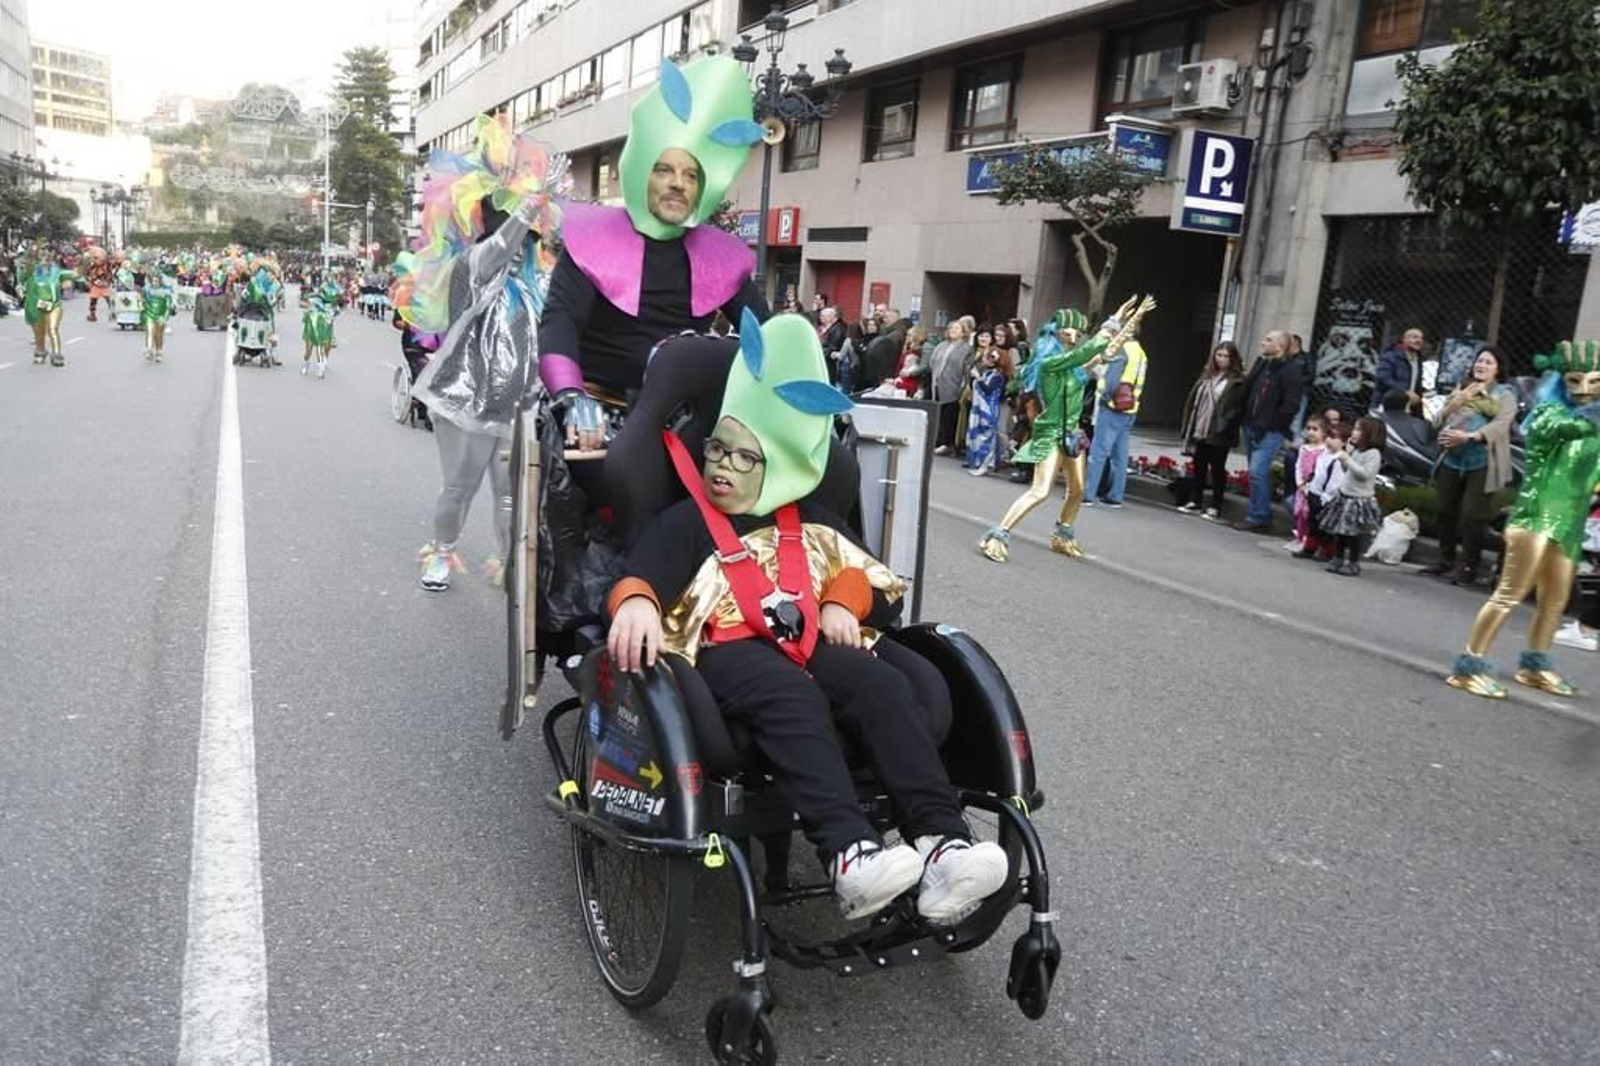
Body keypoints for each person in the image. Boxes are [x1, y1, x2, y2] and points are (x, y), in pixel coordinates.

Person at [607, 312, 1007, 922]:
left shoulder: (812, 517)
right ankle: (849, 854)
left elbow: (869, 576)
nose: (722, 467)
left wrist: (845, 601)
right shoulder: (688, 521)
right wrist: (636, 602)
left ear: (784, 463)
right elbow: (643, 573)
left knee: (880, 682)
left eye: (746, 458)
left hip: (812, 635)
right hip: (727, 649)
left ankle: (941, 840)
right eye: (718, 449)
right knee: (789, 695)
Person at [538, 56, 768, 452]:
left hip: (681, 422)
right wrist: (571, 397)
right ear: (643, 171)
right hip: (595, 418)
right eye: (664, 170)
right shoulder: (593, 242)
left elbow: (766, 334)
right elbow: (558, 324)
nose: (678, 184)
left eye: (691, 174)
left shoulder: (720, 258)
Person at [396, 113, 569, 591]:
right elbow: (497, 249)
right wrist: (531, 206)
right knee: (459, 488)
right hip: (466, 401)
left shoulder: (540, 285)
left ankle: (511, 564)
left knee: (513, 495)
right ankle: (442, 553)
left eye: (530, 241)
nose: (522, 247)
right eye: (517, 235)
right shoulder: (472, 266)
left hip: (520, 406)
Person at [1447, 341, 1600, 699]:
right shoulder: (1550, 413)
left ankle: (1535, 665)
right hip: (1535, 519)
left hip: (1569, 524)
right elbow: (1571, 430)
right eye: (1575, 381)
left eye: (1594, 383)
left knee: (1555, 601)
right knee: (1509, 595)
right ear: (1562, 381)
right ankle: (1470, 666)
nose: (1583, 390)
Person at [977, 298, 1155, 562]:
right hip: (1050, 434)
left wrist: (1131, 320)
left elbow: (1104, 352)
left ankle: (1062, 534)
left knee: (1078, 489)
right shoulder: (1050, 364)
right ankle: (997, 536)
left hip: (1071, 435)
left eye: (1077, 332)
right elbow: (1086, 352)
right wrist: (1113, 322)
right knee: (1041, 490)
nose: (1074, 335)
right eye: (1068, 330)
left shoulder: (1075, 368)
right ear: (1055, 332)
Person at [1419, 345, 1517, 586]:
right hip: (1451, 459)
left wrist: (1470, 437)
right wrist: (1457, 401)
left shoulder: (1505, 395)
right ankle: (1445, 559)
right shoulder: (1462, 388)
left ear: (1498, 369)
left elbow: (1501, 425)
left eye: (1488, 362)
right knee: (1444, 510)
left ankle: (1469, 566)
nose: (1481, 365)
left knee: (1473, 516)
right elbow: (1438, 421)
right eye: (1479, 361)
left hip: (1482, 462)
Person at [1236, 330, 1304, 532]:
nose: (1263, 342)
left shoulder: (1290, 370)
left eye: (1268, 340)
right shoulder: (1263, 365)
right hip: (1251, 425)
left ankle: (1259, 516)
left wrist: (1273, 424)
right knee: (1256, 472)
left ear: (1280, 347)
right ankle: (1258, 514)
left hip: (1271, 430)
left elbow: (1291, 404)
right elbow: (1248, 392)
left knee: (1258, 470)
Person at [1081, 317, 1149, 508]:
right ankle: (1115, 496)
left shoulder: (1121, 350)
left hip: (1111, 407)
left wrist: (1104, 398)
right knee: (1120, 455)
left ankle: (1088, 493)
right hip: (1130, 408)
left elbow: (1110, 382)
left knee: (1098, 452)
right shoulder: (1141, 353)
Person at [1175, 341, 1246, 518]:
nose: (1221, 359)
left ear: (1233, 358)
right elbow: (1194, 400)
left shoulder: (1237, 380)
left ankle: (1216, 505)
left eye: (1226, 356)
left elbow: (1238, 406)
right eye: (1219, 355)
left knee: (1217, 468)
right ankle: (1195, 501)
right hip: (1200, 426)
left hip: (1220, 430)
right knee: (1199, 465)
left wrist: (1229, 419)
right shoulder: (1207, 375)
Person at [1317, 416, 1386, 576]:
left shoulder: (1373, 454)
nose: (1354, 433)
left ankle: (1353, 562)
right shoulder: (1355, 450)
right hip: (1345, 495)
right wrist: (1345, 458)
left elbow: (1364, 474)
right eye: (1355, 429)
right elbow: (1347, 471)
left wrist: (1347, 459)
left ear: (1370, 434)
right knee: (1340, 531)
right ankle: (1338, 558)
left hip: (1358, 499)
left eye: (1359, 429)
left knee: (1353, 534)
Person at [23, 247, 76, 367]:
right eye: (41, 259)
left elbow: (76, 274)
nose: (44, 262)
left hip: (54, 305)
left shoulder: (58, 272)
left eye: (47, 259)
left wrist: (85, 260)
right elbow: (27, 265)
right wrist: (32, 251)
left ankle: (57, 354)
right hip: (37, 306)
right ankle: (40, 352)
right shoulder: (32, 273)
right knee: (39, 333)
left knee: (53, 329)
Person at [929, 320, 973, 453]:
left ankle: (948, 443)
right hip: (936, 382)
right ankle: (937, 440)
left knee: (950, 414)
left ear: (963, 333)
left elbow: (967, 369)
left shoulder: (967, 348)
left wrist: (962, 386)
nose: (953, 331)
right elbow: (932, 362)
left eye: (957, 329)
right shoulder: (941, 345)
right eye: (951, 328)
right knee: (938, 413)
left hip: (954, 384)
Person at [964, 343, 1008, 475]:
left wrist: (978, 377)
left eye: (989, 358)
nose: (985, 360)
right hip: (978, 409)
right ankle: (976, 462)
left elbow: (988, 390)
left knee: (986, 437)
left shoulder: (998, 376)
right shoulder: (987, 373)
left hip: (988, 410)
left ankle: (986, 464)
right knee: (975, 435)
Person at [1287, 416, 1328, 552]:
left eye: (1315, 429)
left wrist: (1310, 486)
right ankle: (1298, 537)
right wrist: (1299, 482)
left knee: (1308, 514)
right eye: (1309, 428)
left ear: (1324, 432)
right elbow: (1298, 465)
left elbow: (1321, 471)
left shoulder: (1324, 450)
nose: (1311, 432)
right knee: (1299, 513)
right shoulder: (1304, 448)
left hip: (1313, 488)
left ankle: (1307, 540)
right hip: (1302, 487)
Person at [1376, 327, 1426, 415]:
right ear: (1404, 339)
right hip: (1386, 407)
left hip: (1408, 409)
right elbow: (1383, 377)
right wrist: (1405, 392)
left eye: (1421, 338)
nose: (1419, 340)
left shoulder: (1418, 360)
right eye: (1414, 337)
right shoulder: (1391, 356)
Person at [140, 271, 175, 363]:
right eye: (153, 281)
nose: (154, 283)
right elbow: (141, 301)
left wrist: (164, 317)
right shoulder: (147, 290)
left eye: (157, 281)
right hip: (149, 314)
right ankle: (149, 350)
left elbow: (168, 306)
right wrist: (143, 304)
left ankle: (159, 352)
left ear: (160, 281)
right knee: (149, 332)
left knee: (158, 335)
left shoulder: (166, 291)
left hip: (160, 314)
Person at [816, 305, 846, 384]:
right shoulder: (825, 328)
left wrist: (821, 353)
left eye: (823, 316)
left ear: (831, 317)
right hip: (824, 360)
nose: (820, 317)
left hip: (830, 363)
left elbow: (834, 346)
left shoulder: (837, 329)